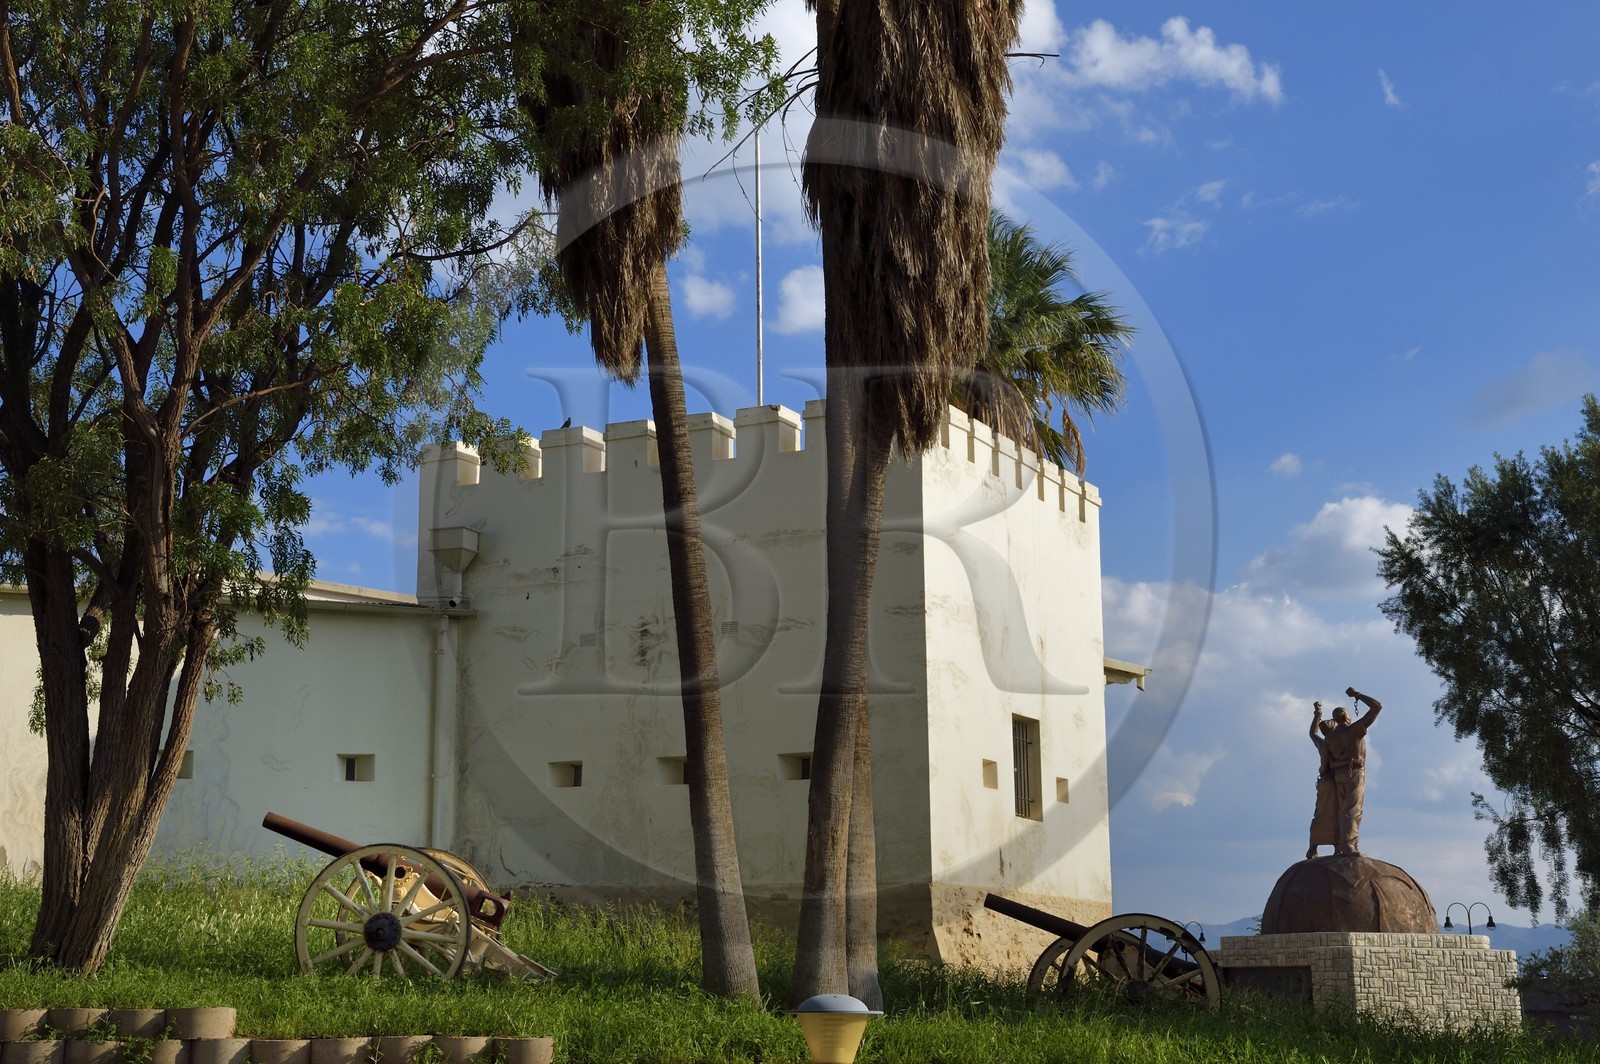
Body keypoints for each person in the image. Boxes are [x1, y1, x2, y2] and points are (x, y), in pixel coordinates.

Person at [1315, 687, 1383, 856]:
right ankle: (1349, 846)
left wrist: (1317, 715)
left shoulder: (1329, 739)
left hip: (1338, 775)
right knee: (1353, 809)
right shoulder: (1354, 730)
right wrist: (1357, 695)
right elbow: (1377, 706)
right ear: (1347, 717)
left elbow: (1316, 740)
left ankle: (1341, 845)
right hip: (1355, 773)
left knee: (1341, 810)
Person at [1306, 709, 1337, 859]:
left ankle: (1313, 847)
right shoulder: (1338, 745)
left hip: (1326, 781)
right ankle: (1338, 847)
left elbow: (1312, 733)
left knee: (1321, 813)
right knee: (1336, 814)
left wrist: (1317, 715)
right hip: (1335, 781)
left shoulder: (1322, 744)